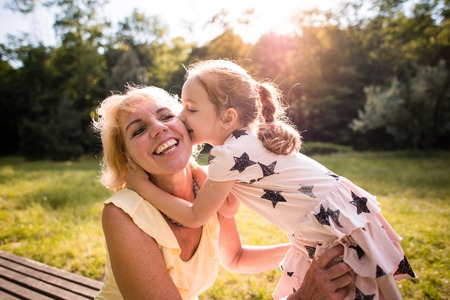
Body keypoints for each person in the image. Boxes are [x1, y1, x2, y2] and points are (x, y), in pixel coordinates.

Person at [126, 60, 416, 300]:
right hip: (339, 215)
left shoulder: (228, 155)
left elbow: (194, 216)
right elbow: (228, 209)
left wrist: (143, 186)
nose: (181, 115)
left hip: (331, 222)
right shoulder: (245, 143)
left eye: (191, 108)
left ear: (227, 117)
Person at [92, 85, 354, 300]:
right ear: (126, 157)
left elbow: (236, 258)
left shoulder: (213, 184)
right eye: (138, 130)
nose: (159, 128)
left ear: (186, 124)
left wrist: (314, 252)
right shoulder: (123, 214)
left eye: (166, 116)